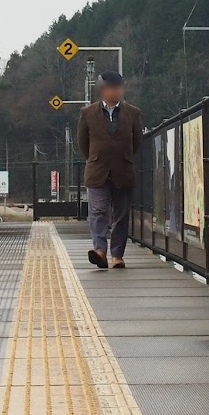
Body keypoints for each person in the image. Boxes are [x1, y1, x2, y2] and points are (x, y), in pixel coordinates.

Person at [77, 71, 142, 269]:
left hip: (123, 170)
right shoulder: (87, 113)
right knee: (98, 211)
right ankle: (100, 251)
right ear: (102, 90)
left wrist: (124, 156)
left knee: (121, 214)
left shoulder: (133, 113)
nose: (115, 91)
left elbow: (137, 141)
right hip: (97, 171)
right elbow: (83, 143)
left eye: (118, 88)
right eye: (111, 88)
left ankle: (117, 255)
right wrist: (95, 158)